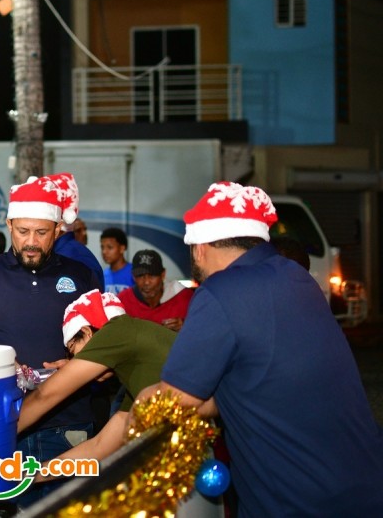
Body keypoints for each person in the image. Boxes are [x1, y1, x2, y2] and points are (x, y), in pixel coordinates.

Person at [139, 181, 383, 516]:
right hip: (362, 485)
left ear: (199, 247)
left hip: (295, 502)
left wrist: (140, 401)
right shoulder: (298, 278)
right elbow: (258, 380)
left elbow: (176, 399)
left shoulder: (220, 290)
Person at [0, 172, 100, 506]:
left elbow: (104, 347)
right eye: (22, 231)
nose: (31, 241)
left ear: (58, 230)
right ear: (9, 225)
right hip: (3, 426)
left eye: (41, 232)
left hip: (68, 424)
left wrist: (80, 364)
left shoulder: (81, 276)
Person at [17, 289, 176, 469]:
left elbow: (44, 396)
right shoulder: (136, 373)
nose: (74, 360)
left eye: (72, 351)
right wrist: (32, 476)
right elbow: (99, 447)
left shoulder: (117, 331)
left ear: (87, 332)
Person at [117, 249, 194, 332]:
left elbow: (201, 329)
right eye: (140, 276)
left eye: (152, 275)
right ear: (133, 277)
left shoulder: (185, 298)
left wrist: (186, 326)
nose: (146, 282)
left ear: (163, 275)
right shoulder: (122, 301)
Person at [54, 219, 105, 290]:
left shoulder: (75, 256)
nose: (84, 234)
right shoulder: (60, 251)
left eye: (85, 229)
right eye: (78, 231)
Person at [101, 227, 133, 294]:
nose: (104, 252)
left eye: (110, 247)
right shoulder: (102, 276)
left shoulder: (134, 273)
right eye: (102, 247)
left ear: (122, 248)